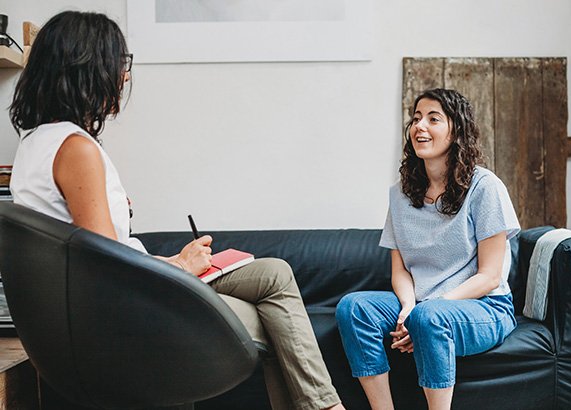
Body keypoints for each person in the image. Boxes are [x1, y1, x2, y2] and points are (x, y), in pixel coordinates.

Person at [9, 11, 344, 410]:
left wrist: (169, 261)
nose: (125, 76)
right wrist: (182, 268)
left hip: (120, 299)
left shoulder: (36, 144)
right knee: (277, 320)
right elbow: (101, 271)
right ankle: (327, 407)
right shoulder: (75, 149)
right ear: (87, 66)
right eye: (119, 63)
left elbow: (100, 254)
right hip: (125, 314)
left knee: (274, 273)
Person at [335, 88, 520, 410]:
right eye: (416, 118)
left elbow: (490, 277)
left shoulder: (485, 187)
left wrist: (424, 311)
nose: (420, 126)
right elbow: (400, 270)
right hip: (422, 304)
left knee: (430, 316)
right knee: (354, 307)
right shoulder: (401, 194)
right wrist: (408, 308)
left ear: (456, 130)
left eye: (433, 119)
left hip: (485, 307)